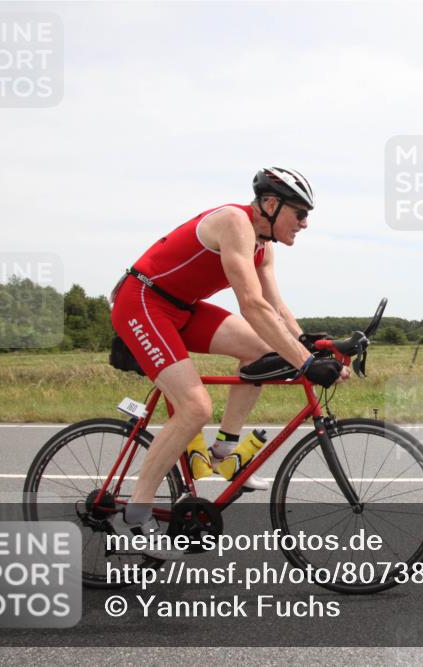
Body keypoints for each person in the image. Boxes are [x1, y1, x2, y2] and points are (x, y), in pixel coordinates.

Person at [108, 167, 347, 558]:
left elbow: (275, 308)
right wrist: (304, 363)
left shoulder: (263, 245)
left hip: (181, 308)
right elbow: (251, 305)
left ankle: (223, 456)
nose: (304, 224)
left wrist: (312, 348)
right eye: (300, 213)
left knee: (261, 352)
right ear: (270, 204)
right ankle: (134, 516)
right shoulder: (235, 222)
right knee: (195, 406)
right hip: (144, 302)